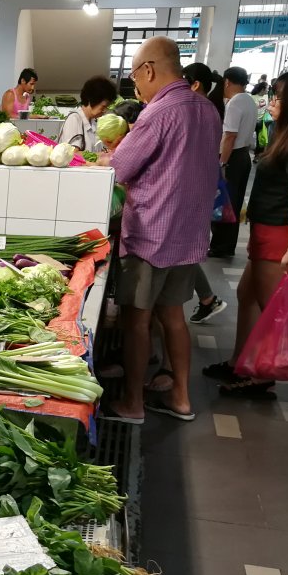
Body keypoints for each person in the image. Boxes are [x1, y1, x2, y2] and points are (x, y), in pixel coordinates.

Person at [101, 37, 221, 425]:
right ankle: (182, 398)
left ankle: (133, 403)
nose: (137, 85)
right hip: (189, 234)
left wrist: (113, 151)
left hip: (152, 234)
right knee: (173, 317)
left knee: (138, 319)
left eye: (136, 76)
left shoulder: (158, 112)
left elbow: (119, 168)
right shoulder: (207, 109)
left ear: (148, 70)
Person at [207, 69, 288, 398]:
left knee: (268, 305)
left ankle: (261, 375)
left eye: (280, 96)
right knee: (247, 295)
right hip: (267, 230)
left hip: (280, 235)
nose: (273, 101)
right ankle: (240, 361)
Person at [179, 63, 229, 326]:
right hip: (199, 190)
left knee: (184, 250)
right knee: (186, 250)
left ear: (195, 84)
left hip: (192, 194)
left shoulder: (198, 111)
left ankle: (209, 298)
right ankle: (209, 298)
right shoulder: (209, 110)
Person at [208, 66, 257, 258]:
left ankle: (220, 246)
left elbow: (229, 136)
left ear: (227, 82)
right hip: (243, 156)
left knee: (223, 202)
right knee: (234, 204)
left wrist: (222, 163)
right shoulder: (249, 100)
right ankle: (227, 245)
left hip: (232, 157)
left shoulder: (235, 102)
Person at [59, 76, 118, 152]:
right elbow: (72, 154)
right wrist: (100, 156)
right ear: (91, 100)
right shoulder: (74, 119)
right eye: (103, 106)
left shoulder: (93, 121)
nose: (105, 110)